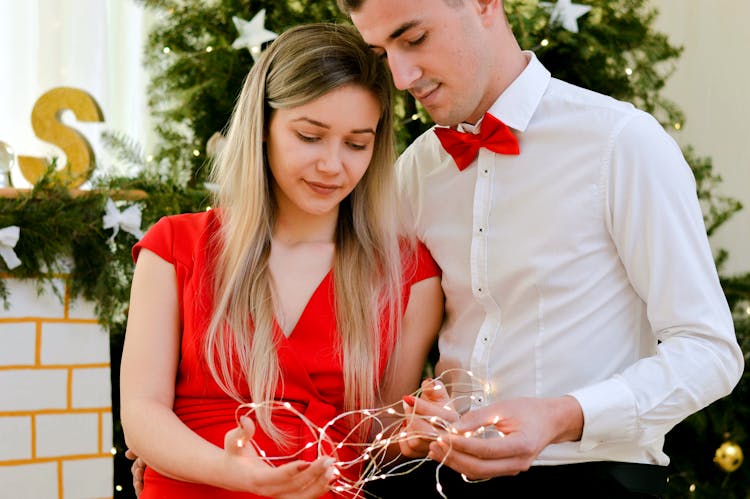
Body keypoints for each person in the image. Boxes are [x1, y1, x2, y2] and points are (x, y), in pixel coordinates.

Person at [336, 0, 745, 497]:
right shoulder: (417, 170)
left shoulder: (621, 143)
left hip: (600, 480)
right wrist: (422, 416)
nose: (401, 77)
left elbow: (710, 351)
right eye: (381, 54)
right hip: (445, 482)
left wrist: (563, 416)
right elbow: (396, 342)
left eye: (415, 39)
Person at [120, 22, 443, 499]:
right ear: (263, 129)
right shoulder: (176, 246)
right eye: (310, 137)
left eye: (357, 144)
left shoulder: (407, 274)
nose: (333, 165)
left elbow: (373, 438)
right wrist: (233, 473)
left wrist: (413, 436)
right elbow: (142, 414)